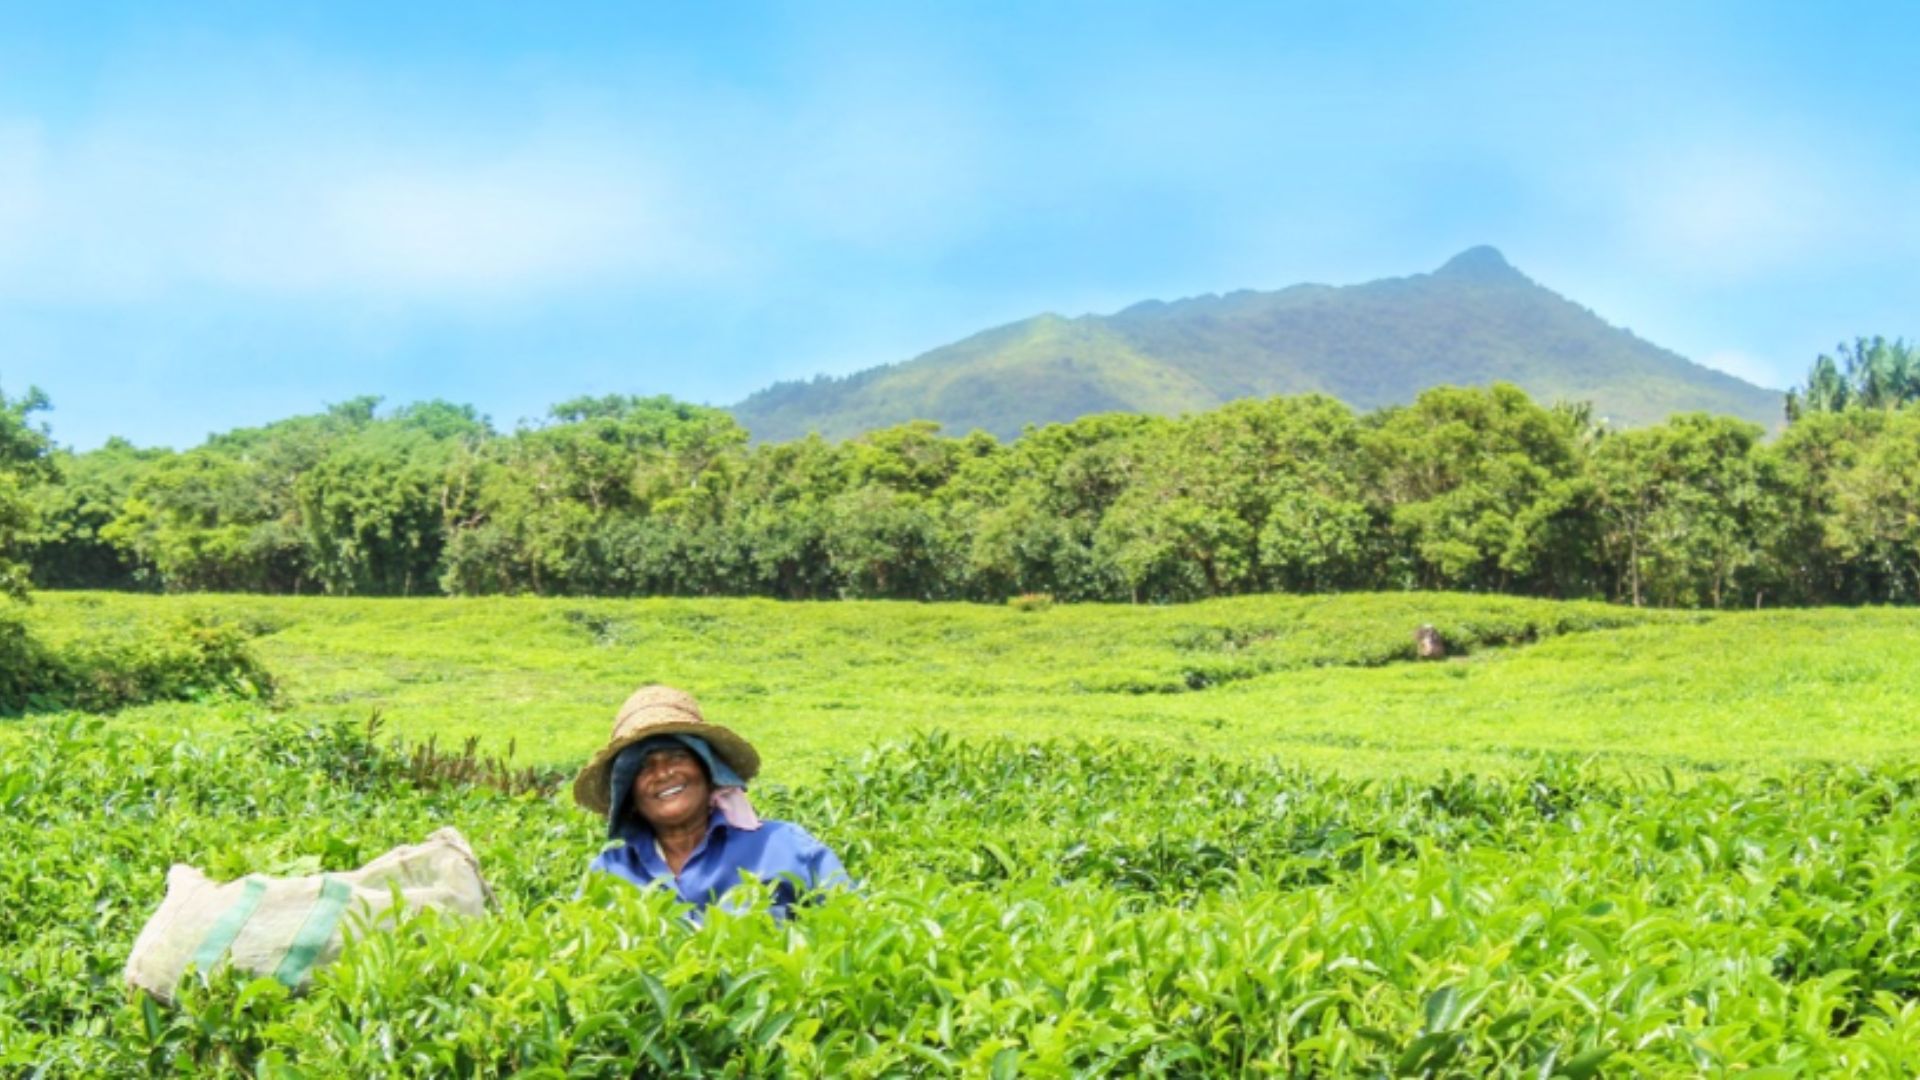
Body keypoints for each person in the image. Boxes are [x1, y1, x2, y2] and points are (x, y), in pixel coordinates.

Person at [573, 685, 848, 918]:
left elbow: (852, 922)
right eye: (644, 766)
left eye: (677, 757)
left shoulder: (784, 846)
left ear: (709, 770)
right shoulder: (608, 873)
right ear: (628, 791)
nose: (663, 773)